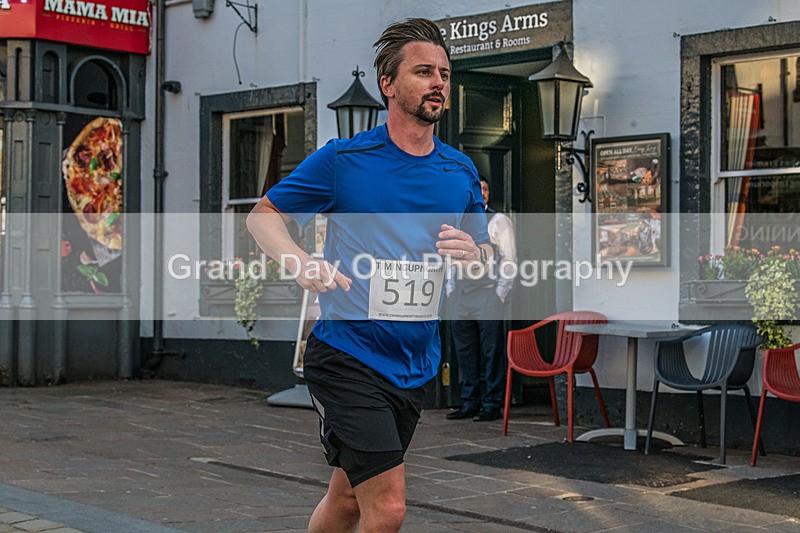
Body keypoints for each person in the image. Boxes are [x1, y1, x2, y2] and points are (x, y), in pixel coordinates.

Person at [246, 18, 492, 533]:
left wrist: (475, 253)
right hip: (347, 355)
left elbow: (483, 252)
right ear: (388, 84)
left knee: (345, 500)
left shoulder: (460, 170)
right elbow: (263, 216)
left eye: (444, 73)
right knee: (389, 508)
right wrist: (300, 261)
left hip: (414, 362)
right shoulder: (345, 160)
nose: (438, 83)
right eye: (423, 72)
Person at [445, 177, 518, 422]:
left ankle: (493, 403)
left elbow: (509, 259)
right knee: (465, 350)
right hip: (461, 294)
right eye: (478, 188)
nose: (481, 192)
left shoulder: (499, 221)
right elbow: (450, 257)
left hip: (488, 292)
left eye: (485, 188)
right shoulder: (458, 221)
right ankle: (470, 401)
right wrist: (451, 289)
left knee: (492, 350)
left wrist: (500, 293)